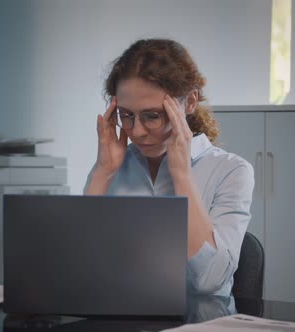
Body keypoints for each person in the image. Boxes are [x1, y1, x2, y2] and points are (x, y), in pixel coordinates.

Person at [84, 38, 254, 296]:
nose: (137, 132)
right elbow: (80, 268)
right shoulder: (111, 168)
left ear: (189, 103)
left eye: (152, 115)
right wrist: (103, 173)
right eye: (127, 115)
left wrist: (182, 176)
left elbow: (210, 281)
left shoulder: (231, 171)